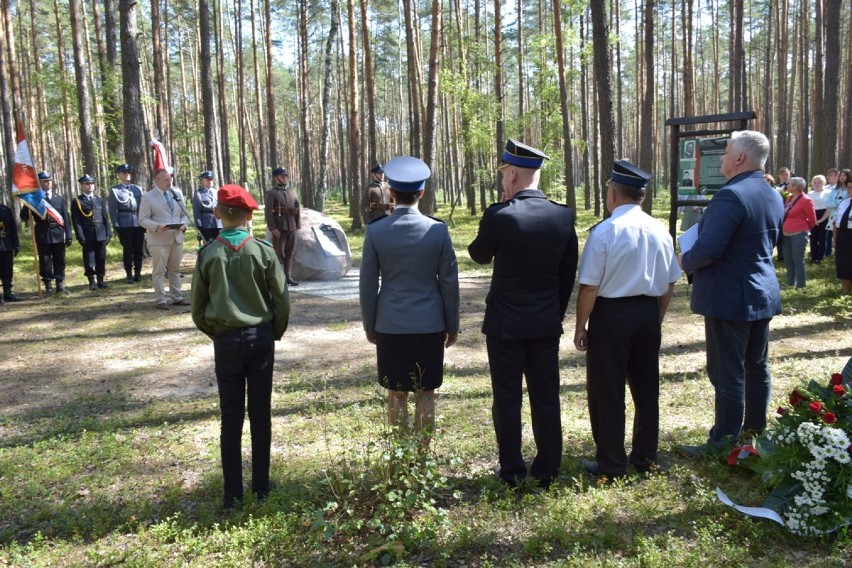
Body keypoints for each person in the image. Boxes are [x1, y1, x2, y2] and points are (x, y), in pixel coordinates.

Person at [468, 139, 578, 488]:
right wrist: (553, 314)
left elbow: (479, 255)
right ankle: (547, 469)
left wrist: (497, 214)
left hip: (505, 325)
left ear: (513, 173)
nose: (503, 181)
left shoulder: (499, 215)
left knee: (507, 396)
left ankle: (512, 470)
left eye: (504, 175)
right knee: (546, 397)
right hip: (545, 322)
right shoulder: (562, 215)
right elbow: (567, 273)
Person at [574, 161, 681, 479]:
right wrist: (656, 318)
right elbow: (670, 281)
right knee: (647, 389)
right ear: (642, 197)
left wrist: (581, 325)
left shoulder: (605, 231)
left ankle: (611, 463)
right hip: (648, 312)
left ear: (612, 193)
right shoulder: (661, 230)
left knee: (608, 390)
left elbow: (590, 286)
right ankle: (645, 457)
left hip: (612, 316)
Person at [679, 130, 783, 452]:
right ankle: (754, 431)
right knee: (756, 366)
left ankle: (723, 441)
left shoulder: (731, 194)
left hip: (730, 296)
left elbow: (709, 248)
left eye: (726, 152)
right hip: (760, 292)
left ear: (739, 157)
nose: (722, 158)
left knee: (727, 372)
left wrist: (684, 260)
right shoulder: (772, 193)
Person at [191, 184, 290, 509]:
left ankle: (232, 492)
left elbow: (198, 309)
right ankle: (261, 486)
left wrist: (219, 331)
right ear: (249, 216)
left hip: (226, 341)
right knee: (260, 414)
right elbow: (281, 302)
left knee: (231, 417)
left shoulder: (208, 254)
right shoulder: (263, 252)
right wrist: (272, 332)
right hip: (260, 338)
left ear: (217, 214)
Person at [359, 156, 460, 451]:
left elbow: (368, 284)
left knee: (396, 392)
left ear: (391, 192)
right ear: (422, 192)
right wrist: (452, 325)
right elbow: (449, 283)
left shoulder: (376, 231)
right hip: (430, 325)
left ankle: (401, 458)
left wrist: (370, 324)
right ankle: (422, 456)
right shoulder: (437, 230)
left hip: (390, 324)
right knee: (426, 392)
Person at [139, 168, 191, 309]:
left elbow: (185, 213)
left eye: (170, 178)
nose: (170, 182)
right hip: (159, 239)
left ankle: (177, 296)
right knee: (159, 271)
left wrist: (184, 225)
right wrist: (156, 226)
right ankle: (161, 299)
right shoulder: (148, 197)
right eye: (166, 179)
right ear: (157, 181)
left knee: (175, 269)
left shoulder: (177, 193)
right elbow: (142, 219)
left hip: (176, 237)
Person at [20, 171, 73, 296]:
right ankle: (48, 285)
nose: (48, 183)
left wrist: (69, 235)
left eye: (49, 180)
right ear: (39, 183)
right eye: (45, 181)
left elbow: (66, 218)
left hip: (58, 232)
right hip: (43, 233)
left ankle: (60, 284)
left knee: (60, 259)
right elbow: (23, 217)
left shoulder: (59, 198)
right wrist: (27, 204)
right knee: (45, 260)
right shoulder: (34, 199)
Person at [71, 174, 112, 291]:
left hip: (100, 232)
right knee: (89, 258)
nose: (90, 186)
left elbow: (105, 217)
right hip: (87, 233)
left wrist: (108, 232)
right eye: (87, 184)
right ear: (82, 186)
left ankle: (100, 280)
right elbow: (76, 221)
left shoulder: (99, 200)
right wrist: (80, 236)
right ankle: (91, 281)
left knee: (101, 257)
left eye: (91, 184)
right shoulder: (78, 201)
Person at [108, 163, 145, 283]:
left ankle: (138, 273)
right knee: (128, 250)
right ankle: (129, 274)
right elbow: (112, 210)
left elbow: (144, 206)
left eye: (129, 172)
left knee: (139, 250)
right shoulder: (115, 191)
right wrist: (116, 225)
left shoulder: (138, 189)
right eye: (124, 172)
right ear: (119, 175)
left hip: (138, 222)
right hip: (125, 223)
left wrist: (144, 222)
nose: (127, 174)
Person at [264, 167, 300, 286]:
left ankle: (287, 277)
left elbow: (297, 208)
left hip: (291, 227)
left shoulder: (292, 192)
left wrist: (297, 225)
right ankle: (277, 278)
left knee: (289, 253)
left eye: (286, 176)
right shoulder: (272, 193)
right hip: (279, 227)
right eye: (282, 176)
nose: (285, 178)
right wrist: (273, 228)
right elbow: (268, 212)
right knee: (279, 253)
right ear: (276, 178)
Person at [781, 177, 816, 288]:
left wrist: (803, 230)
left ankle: (801, 285)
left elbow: (812, 220)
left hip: (799, 234)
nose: (787, 185)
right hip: (785, 233)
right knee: (788, 259)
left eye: (790, 183)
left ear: (795, 186)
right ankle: (790, 283)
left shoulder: (806, 200)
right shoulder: (789, 198)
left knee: (798, 260)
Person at [832, 176, 852, 293]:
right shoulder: (844, 202)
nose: (849, 190)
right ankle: (845, 289)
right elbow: (836, 222)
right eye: (848, 187)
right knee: (843, 262)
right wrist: (835, 239)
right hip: (842, 235)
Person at [0, 201, 21, 303]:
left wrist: (16, 244)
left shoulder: (5, 209)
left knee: (7, 270)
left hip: (6, 244)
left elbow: (12, 229)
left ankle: (8, 292)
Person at [193, 170, 220, 243]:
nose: (210, 181)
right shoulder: (198, 193)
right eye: (208, 179)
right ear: (202, 181)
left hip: (219, 224)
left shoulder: (217, 192)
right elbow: (196, 211)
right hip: (207, 225)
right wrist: (199, 226)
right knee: (208, 246)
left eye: (211, 179)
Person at [807, 175, 830, 265]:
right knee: (813, 238)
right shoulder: (810, 194)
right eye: (815, 182)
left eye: (819, 182)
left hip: (824, 216)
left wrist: (821, 220)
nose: (817, 184)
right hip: (812, 216)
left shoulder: (828, 193)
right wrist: (812, 219)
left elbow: (829, 208)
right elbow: (808, 208)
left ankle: (819, 258)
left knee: (822, 238)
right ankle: (813, 257)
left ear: (824, 183)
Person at [775, 167, 791, 261]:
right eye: (782, 175)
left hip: (789, 212)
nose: (784, 177)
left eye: (786, 175)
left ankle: (787, 254)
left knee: (787, 234)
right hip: (779, 212)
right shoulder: (777, 187)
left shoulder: (792, 186)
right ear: (779, 176)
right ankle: (780, 254)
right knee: (779, 234)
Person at [824, 168, 840, 257]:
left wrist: (830, 204)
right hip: (825, 213)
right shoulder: (825, 187)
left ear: (837, 176)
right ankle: (827, 251)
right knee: (827, 234)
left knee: (834, 233)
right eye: (828, 175)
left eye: (831, 175)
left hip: (835, 213)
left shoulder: (839, 188)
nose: (828, 177)